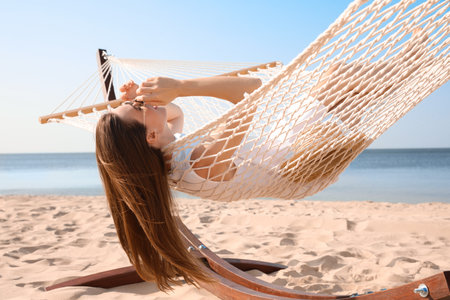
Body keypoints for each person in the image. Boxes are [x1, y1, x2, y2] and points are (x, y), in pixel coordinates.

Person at [95, 27, 429, 291]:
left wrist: (139, 101)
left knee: (343, 78)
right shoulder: (198, 164)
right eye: (140, 108)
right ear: (149, 137)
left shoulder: (168, 151)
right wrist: (181, 85)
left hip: (288, 139)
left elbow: (174, 114)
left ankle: (409, 65)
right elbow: (251, 90)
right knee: (338, 76)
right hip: (302, 159)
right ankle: (413, 63)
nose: (145, 102)